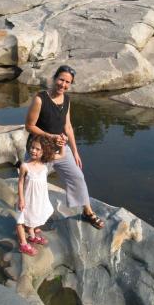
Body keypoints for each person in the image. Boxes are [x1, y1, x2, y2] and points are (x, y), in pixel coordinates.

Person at [25, 65, 104, 229]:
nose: (63, 84)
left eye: (68, 82)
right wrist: (50, 136)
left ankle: (87, 212)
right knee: (33, 183)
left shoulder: (66, 99)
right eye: (61, 79)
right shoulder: (40, 99)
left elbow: (68, 127)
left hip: (60, 148)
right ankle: (30, 221)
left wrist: (75, 151)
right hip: (39, 149)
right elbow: (29, 126)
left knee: (77, 177)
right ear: (54, 78)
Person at [16, 135, 65, 256]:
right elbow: (21, 182)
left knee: (34, 216)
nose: (33, 150)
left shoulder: (45, 162)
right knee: (20, 221)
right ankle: (23, 244)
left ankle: (32, 236)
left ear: (44, 152)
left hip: (39, 198)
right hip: (27, 198)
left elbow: (62, 155)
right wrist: (21, 199)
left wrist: (62, 144)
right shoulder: (25, 166)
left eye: (37, 149)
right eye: (32, 147)